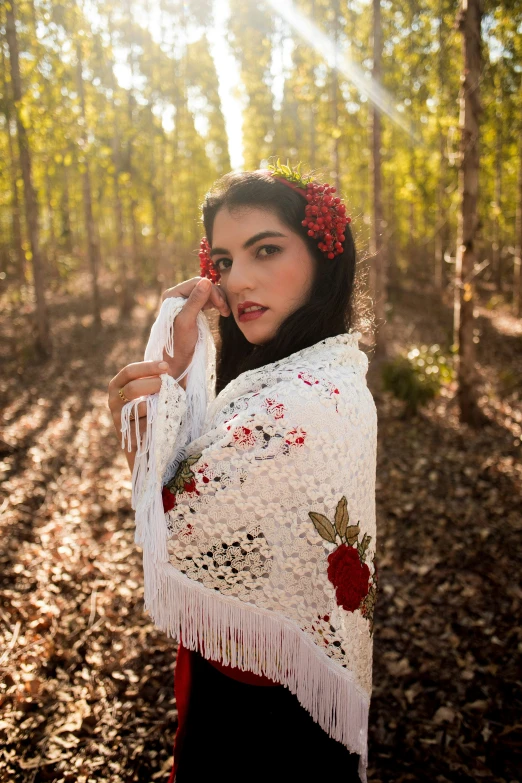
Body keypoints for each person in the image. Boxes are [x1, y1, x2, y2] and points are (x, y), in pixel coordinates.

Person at [108, 163, 378, 783]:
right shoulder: (304, 372)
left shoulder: (303, 399)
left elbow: (178, 519)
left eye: (267, 250)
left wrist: (149, 436)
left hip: (267, 713)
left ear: (322, 256)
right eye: (224, 261)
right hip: (247, 673)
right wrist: (177, 374)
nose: (240, 281)